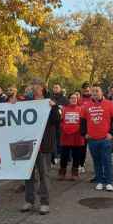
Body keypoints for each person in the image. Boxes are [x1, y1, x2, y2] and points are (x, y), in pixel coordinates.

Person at [21, 79, 60, 215]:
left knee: (44, 174)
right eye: (32, 86)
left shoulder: (49, 102)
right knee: (28, 175)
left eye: (36, 86)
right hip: (28, 144)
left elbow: (56, 122)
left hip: (44, 145)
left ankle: (44, 202)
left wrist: (54, 108)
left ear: (43, 87)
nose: (34, 88)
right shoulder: (26, 102)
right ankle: (29, 200)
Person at [81, 86, 113, 191]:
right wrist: (84, 134)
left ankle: (109, 182)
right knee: (96, 160)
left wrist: (112, 133)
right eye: (93, 91)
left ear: (102, 92)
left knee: (106, 160)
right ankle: (100, 181)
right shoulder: (86, 105)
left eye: (97, 91)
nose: (94, 93)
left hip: (105, 138)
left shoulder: (109, 104)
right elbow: (83, 120)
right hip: (92, 139)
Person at [58, 93, 84, 180]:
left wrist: (77, 129)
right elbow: (61, 122)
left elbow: (83, 122)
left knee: (76, 155)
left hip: (77, 136)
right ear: (69, 99)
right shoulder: (64, 109)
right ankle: (62, 172)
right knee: (64, 155)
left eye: (75, 98)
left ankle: (74, 173)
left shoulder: (81, 109)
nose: (74, 99)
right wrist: (64, 128)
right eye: (72, 98)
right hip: (66, 136)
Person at [50, 84, 68, 165]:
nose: (55, 89)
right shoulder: (50, 98)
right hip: (51, 122)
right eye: (54, 87)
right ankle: (54, 156)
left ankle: (61, 155)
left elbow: (67, 108)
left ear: (60, 89)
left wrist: (56, 105)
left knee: (60, 139)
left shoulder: (64, 99)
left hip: (61, 122)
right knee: (53, 140)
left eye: (57, 87)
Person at [78, 82, 93, 174]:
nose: (87, 91)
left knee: (94, 147)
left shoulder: (94, 99)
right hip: (83, 126)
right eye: (85, 90)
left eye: (88, 90)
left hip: (93, 126)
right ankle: (81, 164)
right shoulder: (79, 100)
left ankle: (97, 166)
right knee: (82, 147)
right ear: (83, 90)